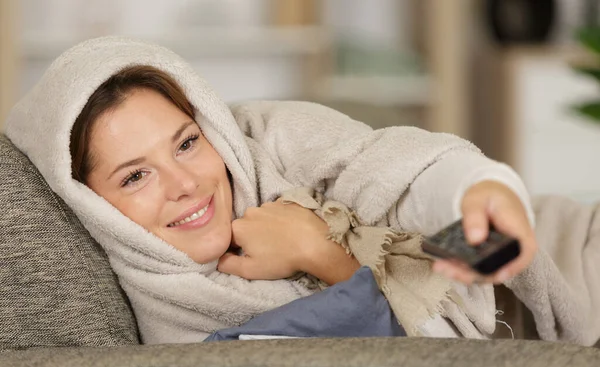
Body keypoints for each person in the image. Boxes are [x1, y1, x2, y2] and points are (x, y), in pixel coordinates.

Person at [4, 36, 536, 344]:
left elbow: (393, 169)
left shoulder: (263, 136)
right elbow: (442, 366)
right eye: (135, 175)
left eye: (187, 143)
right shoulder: (179, 320)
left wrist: (483, 190)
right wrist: (318, 252)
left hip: (551, 244)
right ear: (89, 205)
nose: (186, 184)